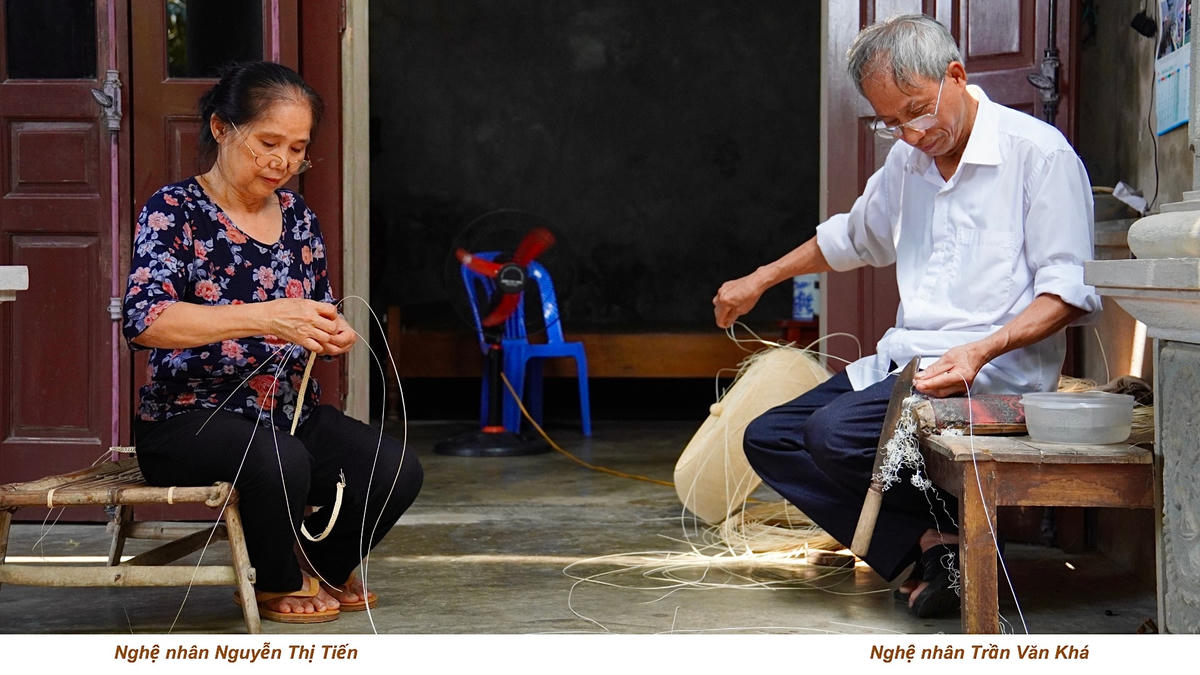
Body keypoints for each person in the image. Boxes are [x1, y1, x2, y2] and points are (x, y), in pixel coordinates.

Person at [712, 15, 1100, 617]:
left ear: (956, 76)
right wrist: (759, 279)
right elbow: (851, 237)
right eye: (892, 124)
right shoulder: (909, 161)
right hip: (906, 365)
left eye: (917, 112)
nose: (911, 134)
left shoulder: (1038, 156)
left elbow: (1064, 295)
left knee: (834, 434)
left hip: (993, 374)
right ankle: (930, 546)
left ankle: (946, 550)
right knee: (770, 438)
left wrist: (980, 350)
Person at [122, 61, 423, 623]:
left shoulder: (298, 217)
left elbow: (315, 309)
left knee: (394, 464)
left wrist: (331, 332)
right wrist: (265, 316)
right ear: (221, 128)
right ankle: (273, 581)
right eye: (268, 142)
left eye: (296, 148)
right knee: (278, 457)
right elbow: (147, 320)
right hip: (191, 419)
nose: (282, 162)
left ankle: (320, 563)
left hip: (285, 412)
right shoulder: (175, 211)